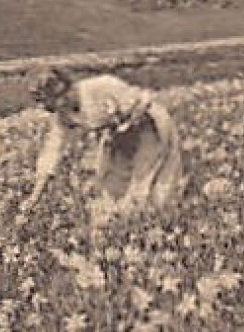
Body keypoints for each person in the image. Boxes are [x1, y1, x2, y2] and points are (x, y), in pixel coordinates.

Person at [22, 66, 185, 227]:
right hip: (120, 136)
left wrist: (123, 125)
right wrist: (34, 197)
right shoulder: (63, 115)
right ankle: (123, 227)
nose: (51, 109)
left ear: (62, 89)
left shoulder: (102, 86)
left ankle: (154, 226)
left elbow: (141, 105)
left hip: (149, 127)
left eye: (49, 101)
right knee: (110, 184)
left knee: (145, 185)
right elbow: (53, 151)